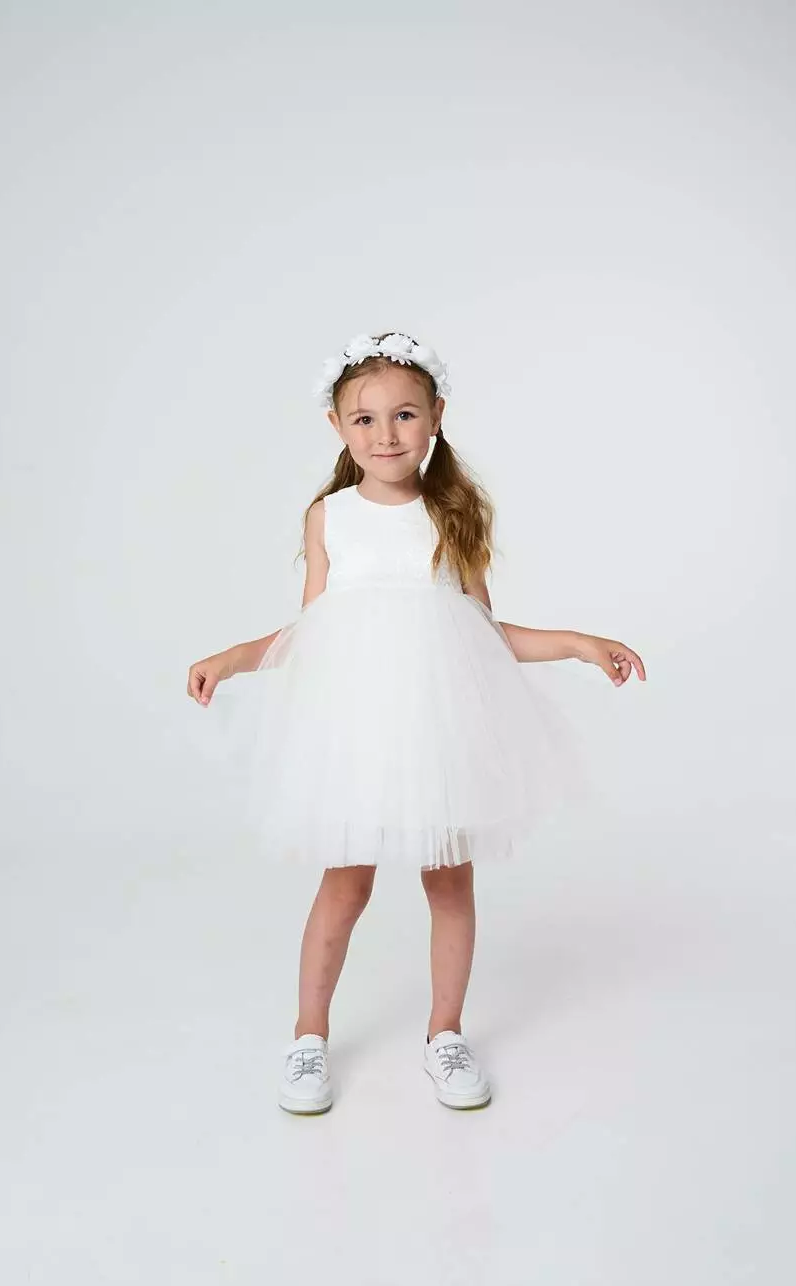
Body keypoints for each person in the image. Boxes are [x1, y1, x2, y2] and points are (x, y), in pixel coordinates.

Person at [187, 331, 646, 1116]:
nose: (385, 434)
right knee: (344, 883)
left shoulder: (450, 515)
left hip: (439, 729)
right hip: (355, 729)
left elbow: (483, 634)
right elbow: (311, 630)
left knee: (449, 880)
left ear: (435, 416)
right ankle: (307, 1037)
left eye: (403, 414)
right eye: (363, 419)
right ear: (336, 426)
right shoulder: (329, 517)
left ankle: (445, 1034)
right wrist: (235, 657)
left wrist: (575, 643)